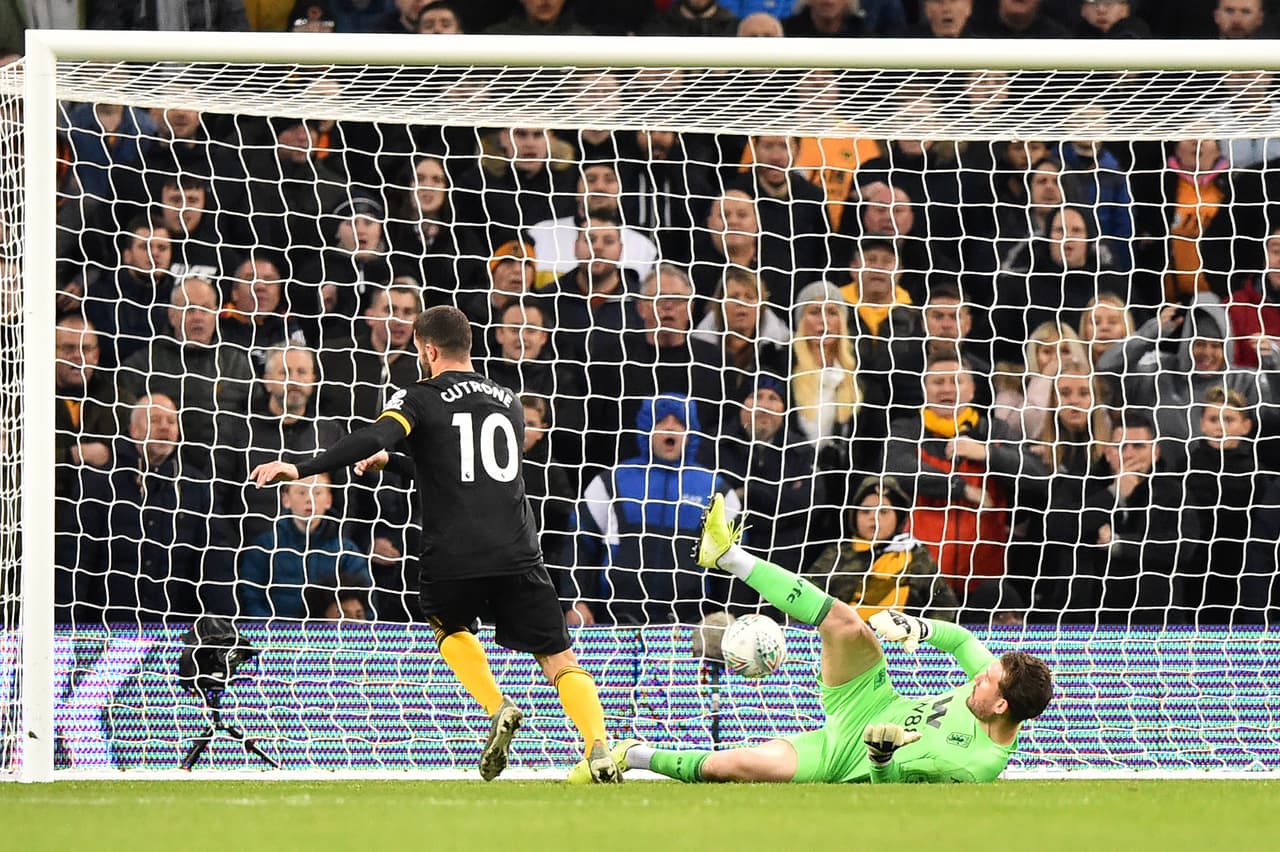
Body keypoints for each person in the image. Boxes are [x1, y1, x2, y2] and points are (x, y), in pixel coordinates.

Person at [249, 305, 621, 783]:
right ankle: (598, 746)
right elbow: (462, 469)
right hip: (518, 550)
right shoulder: (507, 400)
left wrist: (300, 468)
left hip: (453, 553)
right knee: (559, 659)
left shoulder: (420, 396)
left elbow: (376, 435)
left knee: (448, 626)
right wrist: (397, 463)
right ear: (469, 345)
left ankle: (497, 706)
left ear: (427, 349)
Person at [567, 492, 1054, 783]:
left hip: (843, 757)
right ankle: (728, 554)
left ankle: (629, 754)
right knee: (847, 623)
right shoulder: (995, 687)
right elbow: (964, 642)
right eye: (986, 672)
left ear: (1000, 706)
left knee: (731, 768)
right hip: (872, 697)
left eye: (986, 681)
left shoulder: (976, 765)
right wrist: (919, 627)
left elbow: (894, 793)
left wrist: (881, 758)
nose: (978, 676)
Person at [239, 471, 374, 619]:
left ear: (329, 500)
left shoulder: (346, 551)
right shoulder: (265, 546)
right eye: (301, 492)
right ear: (286, 499)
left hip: (330, 638)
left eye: (317, 492)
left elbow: (367, 602)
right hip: (275, 636)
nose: (309, 499)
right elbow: (250, 598)